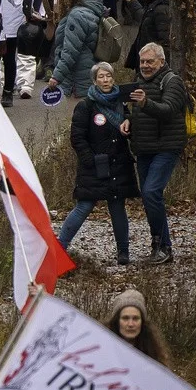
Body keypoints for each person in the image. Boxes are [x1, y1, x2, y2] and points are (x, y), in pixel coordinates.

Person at [57, 62, 138, 262]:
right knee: (84, 206)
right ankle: (59, 248)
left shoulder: (121, 103)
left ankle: (123, 252)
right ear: (94, 80)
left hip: (118, 163)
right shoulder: (86, 106)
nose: (106, 80)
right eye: (101, 77)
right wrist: (89, 160)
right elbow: (77, 137)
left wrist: (130, 124)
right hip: (94, 165)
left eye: (109, 76)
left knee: (117, 206)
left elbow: (132, 129)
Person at [128, 43, 188, 264]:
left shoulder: (173, 81)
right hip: (144, 148)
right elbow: (138, 113)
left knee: (152, 192)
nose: (145, 66)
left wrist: (145, 103)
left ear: (161, 62)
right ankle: (158, 245)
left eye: (150, 61)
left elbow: (168, 110)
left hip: (166, 146)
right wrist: (128, 121)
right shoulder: (139, 81)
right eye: (142, 61)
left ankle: (164, 246)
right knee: (147, 195)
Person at [47, 0, 104, 99]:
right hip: (90, 69)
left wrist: (57, 76)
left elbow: (70, 51)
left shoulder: (76, 15)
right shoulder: (92, 10)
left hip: (77, 79)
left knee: (77, 115)